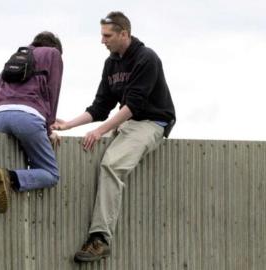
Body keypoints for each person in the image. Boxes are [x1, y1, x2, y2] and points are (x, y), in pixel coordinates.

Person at [51, 11, 176, 262]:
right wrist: (69, 125)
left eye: (107, 36)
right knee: (91, 149)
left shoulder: (146, 58)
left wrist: (99, 130)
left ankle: (100, 239)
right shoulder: (111, 64)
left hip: (152, 122)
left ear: (124, 34)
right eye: (101, 35)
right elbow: (100, 106)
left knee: (111, 165)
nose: (102, 41)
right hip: (127, 121)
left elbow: (134, 105)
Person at [0, 31, 63, 214]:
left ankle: (5, 180)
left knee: (26, 150)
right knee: (51, 174)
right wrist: (49, 128)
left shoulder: (16, 58)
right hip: (27, 117)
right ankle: (10, 177)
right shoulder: (53, 54)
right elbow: (53, 91)